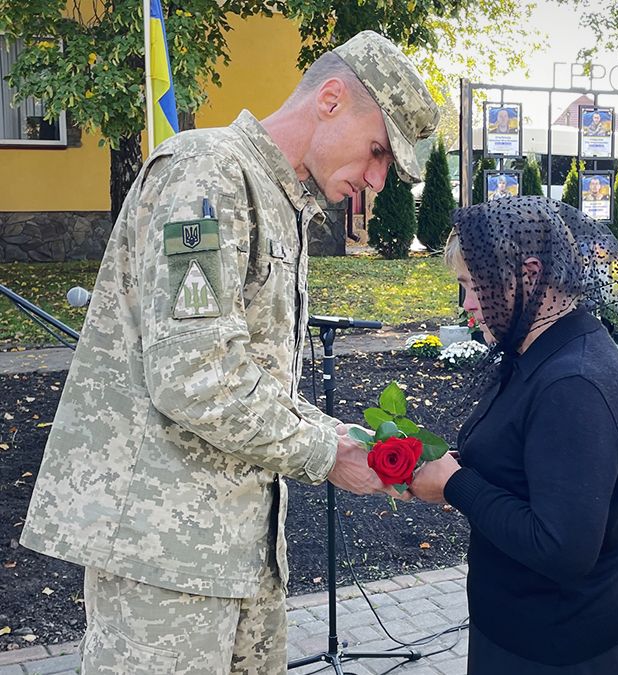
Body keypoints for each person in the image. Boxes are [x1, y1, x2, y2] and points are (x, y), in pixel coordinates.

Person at [19, 31, 437, 674]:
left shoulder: (277, 196)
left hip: (239, 550)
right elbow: (195, 374)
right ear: (330, 100)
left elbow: (249, 373)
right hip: (165, 557)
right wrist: (326, 454)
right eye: (379, 150)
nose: (377, 180)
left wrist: (341, 436)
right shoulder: (206, 173)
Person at [407, 197, 618, 673]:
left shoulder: (573, 383)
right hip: (522, 633)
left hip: (564, 651)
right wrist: (442, 466)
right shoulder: (535, 351)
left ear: (530, 275)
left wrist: (455, 485)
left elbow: (563, 549)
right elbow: (525, 463)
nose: (467, 304)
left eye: (474, 284)